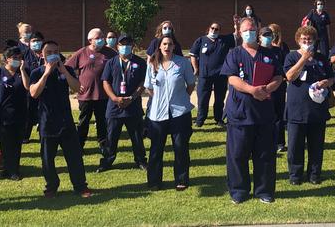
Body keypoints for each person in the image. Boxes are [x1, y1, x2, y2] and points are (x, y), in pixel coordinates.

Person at [221, 17, 283, 204]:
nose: (250, 32)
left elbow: (279, 77)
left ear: (257, 30)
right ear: (240, 33)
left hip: (263, 114)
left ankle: (264, 191)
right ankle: (239, 191)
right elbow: (232, 79)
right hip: (240, 113)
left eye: (253, 29)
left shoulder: (269, 54)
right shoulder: (234, 54)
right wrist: (252, 90)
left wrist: (267, 89)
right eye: (246, 30)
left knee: (264, 155)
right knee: (237, 154)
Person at [29, 40, 92, 197]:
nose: (52, 55)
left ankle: (80, 186)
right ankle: (51, 185)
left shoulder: (67, 70)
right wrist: (46, 73)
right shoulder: (36, 72)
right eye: (48, 52)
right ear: (42, 54)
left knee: (74, 157)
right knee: (47, 159)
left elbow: (78, 88)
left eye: (55, 52)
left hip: (66, 122)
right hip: (47, 122)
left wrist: (63, 70)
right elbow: (34, 93)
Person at [284, 26, 334, 185]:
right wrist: (304, 58)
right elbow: (290, 76)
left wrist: (327, 82)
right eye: (304, 40)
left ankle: (314, 174)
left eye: (310, 40)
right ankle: (295, 176)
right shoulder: (291, 56)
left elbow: (331, 78)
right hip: (297, 108)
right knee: (295, 146)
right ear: (298, 40)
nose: (307, 42)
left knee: (316, 145)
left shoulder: (321, 58)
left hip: (317, 108)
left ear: (314, 41)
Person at [144, 35, 195, 191]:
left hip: (179, 113)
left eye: (170, 44)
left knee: (180, 148)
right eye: (164, 44)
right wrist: (160, 100)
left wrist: (180, 98)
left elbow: (191, 84)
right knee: (156, 149)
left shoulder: (182, 63)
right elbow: (149, 88)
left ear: (174, 46)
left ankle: (181, 179)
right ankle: (154, 182)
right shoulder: (152, 64)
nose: (167, 47)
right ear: (159, 46)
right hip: (157, 114)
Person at [97, 35, 148, 173]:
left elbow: (143, 82)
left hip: (133, 105)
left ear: (132, 45)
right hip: (114, 106)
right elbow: (105, 82)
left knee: (137, 136)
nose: (124, 46)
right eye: (122, 44)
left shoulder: (140, 62)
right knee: (111, 137)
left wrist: (131, 97)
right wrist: (114, 98)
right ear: (117, 46)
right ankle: (107, 161)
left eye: (128, 43)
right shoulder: (111, 62)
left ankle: (141, 160)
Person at [65, 28, 116, 154]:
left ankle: (103, 144)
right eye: (98, 38)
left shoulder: (110, 53)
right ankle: (79, 145)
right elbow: (67, 68)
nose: (101, 40)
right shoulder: (82, 53)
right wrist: (76, 82)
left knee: (102, 121)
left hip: (103, 95)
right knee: (83, 122)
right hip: (85, 95)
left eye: (102, 37)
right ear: (90, 40)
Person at [0, 43, 30, 180]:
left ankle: (14, 169)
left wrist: (22, 70)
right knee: (5, 143)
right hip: (3, 114)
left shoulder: (23, 72)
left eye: (20, 57)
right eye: (15, 57)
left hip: (20, 113)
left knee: (16, 143)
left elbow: (28, 87)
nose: (18, 59)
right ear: (7, 59)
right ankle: (7, 169)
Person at [190, 22, 236, 128]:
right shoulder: (201, 40)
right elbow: (193, 55)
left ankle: (218, 119)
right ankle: (200, 120)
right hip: (204, 75)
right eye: (213, 28)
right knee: (203, 98)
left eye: (217, 29)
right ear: (209, 28)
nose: (214, 30)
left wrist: (236, 25)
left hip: (221, 74)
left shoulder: (223, 40)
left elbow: (236, 35)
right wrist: (196, 68)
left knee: (219, 98)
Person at [267, 24, 290, 152]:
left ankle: (280, 143)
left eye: (273, 32)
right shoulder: (263, 48)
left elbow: (286, 65)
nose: (271, 35)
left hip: (279, 85)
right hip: (266, 85)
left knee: (278, 115)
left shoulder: (283, 47)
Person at [23, 31, 45, 143]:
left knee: (43, 113)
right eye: (33, 41)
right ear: (29, 43)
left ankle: (43, 135)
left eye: (38, 40)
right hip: (29, 89)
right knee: (28, 112)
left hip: (45, 89)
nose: (36, 43)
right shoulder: (24, 55)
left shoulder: (47, 53)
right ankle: (25, 136)